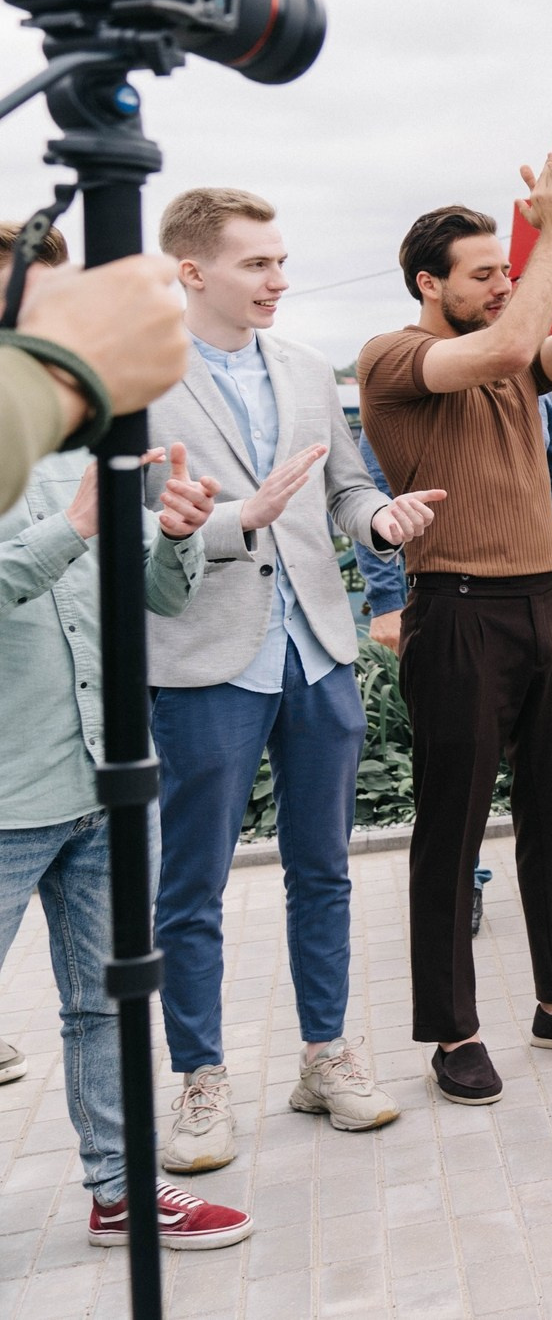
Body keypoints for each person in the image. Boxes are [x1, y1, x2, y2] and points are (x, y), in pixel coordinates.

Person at [144, 189, 444, 1174]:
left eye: (280, 261)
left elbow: (345, 486)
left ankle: (326, 1059)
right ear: (193, 271)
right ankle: (201, 1083)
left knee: (323, 869)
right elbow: (139, 528)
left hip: (315, 649)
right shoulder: (136, 380)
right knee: (191, 886)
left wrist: (377, 523)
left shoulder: (313, 370)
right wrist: (238, 518)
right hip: (203, 660)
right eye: (256, 264)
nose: (279, 279)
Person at [356, 141, 552, 1105]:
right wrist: (548, 231)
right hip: (460, 611)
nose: (504, 284)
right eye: (484, 274)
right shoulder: (394, 357)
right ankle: (452, 1032)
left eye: (506, 271)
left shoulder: (515, 370)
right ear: (430, 284)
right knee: (452, 824)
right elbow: (513, 343)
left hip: (546, 600)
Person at [0, 214, 249, 1248]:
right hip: (7, 793)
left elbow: (146, 587)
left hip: (107, 780)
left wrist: (178, 533)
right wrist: (74, 529)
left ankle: (120, 1192)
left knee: (105, 1005)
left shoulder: (92, 435)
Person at [356, 393, 552, 922]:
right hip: (453, 600)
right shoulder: (413, 382)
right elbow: (370, 493)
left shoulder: (531, 385)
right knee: (459, 756)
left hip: (538, 591)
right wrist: (384, 601)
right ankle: (461, 882)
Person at [0, 250, 191, 513]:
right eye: (19, 292)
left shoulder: (91, 433)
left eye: (58, 294)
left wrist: (177, 535)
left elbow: (139, 549)